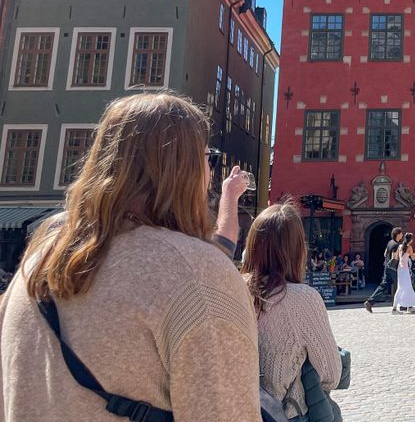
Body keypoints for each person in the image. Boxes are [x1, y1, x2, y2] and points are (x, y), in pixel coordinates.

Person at [0, 92, 262, 421]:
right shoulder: (194, 273)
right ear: (186, 169)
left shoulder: (34, 267)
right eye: (207, 159)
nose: (210, 174)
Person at [241, 201, 342, 421]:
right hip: (285, 413)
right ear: (297, 249)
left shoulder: (232, 288)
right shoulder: (302, 299)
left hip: (236, 410)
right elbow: (331, 375)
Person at [364, 226, 403, 312]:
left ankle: (370, 302)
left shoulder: (390, 242)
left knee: (383, 285)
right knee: (399, 286)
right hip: (393, 268)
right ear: (397, 235)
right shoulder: (397, 245)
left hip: (387, 266)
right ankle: (399, 305)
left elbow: (385, 254)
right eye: (401, 234)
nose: (402, 235)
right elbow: (395, 257)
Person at [392, 234, 415, 314]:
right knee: (405, 287)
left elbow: (396, 257)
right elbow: (413, 257)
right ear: (410, 240)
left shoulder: (400, 246)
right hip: (405, 269)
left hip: (400, 269)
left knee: (404, 287)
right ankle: (394, 308)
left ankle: (409, 306)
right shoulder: (409, 247)